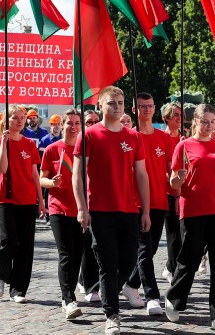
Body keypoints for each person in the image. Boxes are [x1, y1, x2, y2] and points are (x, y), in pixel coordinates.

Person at [72, 86, 151, 335]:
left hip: (129, 209)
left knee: (128, 262)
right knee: (108, 264)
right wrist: (82, 208)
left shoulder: (134, 137)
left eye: (120, 102)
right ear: (100, 106)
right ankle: (112, 315)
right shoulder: (89, 135)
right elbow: (77, 174)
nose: (117, 107)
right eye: (111, 103)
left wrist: (146, 211)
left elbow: (141, 174)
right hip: (100, 211)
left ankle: (110, 292)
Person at [165, 104, 215, 332]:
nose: (208, 125)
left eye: (212, 121)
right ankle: (174, 298)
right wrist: (179, 178)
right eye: (203, 121)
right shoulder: (183, 146)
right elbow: (174, 184)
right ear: (194, 121)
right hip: (193, 211)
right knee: (190, 260)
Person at [0, 105, 46, 304]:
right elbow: (2, 168)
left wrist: (41, 201)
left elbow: (34, 174)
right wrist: (4, 142)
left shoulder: (30, 143)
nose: (20, 121)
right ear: (6, 121)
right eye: (15, 118)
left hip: (27, 199)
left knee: (25, 245)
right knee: (9, 240)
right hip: (5, 198)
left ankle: (18, 289)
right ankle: (1, 274)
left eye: (22, 118)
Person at [124, 92, 173, 316]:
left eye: (150, 106)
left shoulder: (164, 139)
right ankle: (152, 296)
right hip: (134, 202)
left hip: (159, 200)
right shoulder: (128, 137)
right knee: (144, 249)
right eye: (142, 106)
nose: (147, 109)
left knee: (151, 249)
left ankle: (130, 284)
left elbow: (171, 172)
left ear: (155, 109)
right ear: (135, 110)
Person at [40, 108, 85, 320]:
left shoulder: (86, 149)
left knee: (78, 255)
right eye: (70, 123)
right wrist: (52, 183)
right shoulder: (51, 149)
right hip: (58, 207)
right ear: (62, 125)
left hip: (81, 209)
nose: (74, 127)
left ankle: (69, 291)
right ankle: (68, 299)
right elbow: (41, 178)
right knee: (66, 254)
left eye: (77, 123)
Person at [78, 109, 102, 302]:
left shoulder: (102, 141)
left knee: (95, 244)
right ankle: (89, 284)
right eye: (88, 122)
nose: (92, 124)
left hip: (99, 200)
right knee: (85, 245)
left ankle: (88, 281)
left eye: (96, 121)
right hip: (77, 202)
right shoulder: (73, 144)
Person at [160, 102, 184, 283]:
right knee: (174, 235)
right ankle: (174, 271)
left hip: (185, 193)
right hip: (168, 192)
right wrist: (175, 194)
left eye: (181, 114)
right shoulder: (163, 138)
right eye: (175, 114)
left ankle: (170, 266)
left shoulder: (184, 139)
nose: (179, 117)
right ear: (167, 118)